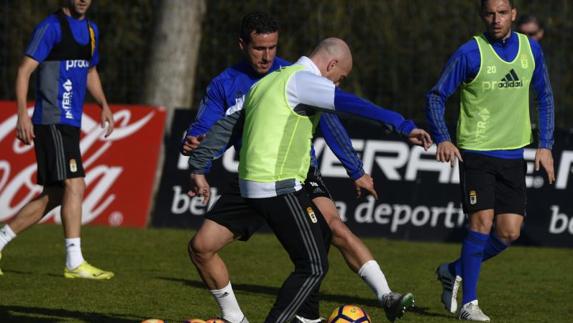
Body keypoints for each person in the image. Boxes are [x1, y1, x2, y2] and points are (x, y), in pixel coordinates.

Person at [182, 12, 416, 323]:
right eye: (258, 49)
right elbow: (214, 128)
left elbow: (331, 124)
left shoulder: (293, 74)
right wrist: (196, 154)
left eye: (273, 48)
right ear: (242, 45)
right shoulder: (230, 84)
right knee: (202, 247)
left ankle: (384, 295)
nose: (267, 56)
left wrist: (355, 170)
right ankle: (238, 320)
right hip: (258, 177)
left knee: (333, 228)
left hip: (299, 175)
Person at [426, 0, 555, 320]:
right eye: (489, 14)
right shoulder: (470, 53)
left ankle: (452, 270)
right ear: (482, 16)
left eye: (502, 12)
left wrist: (546, 145)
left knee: (509, 233)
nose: (496, 19)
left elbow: (545, 96)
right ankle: (469, 304)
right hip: (477, 153)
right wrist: (443, 137)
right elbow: (436, 95)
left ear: (513, 13)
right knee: (480, 224)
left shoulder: (531, 50)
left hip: (514, 155)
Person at [0, 0, 114, 279]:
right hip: (52, 119)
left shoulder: (91, 30)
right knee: (75, 183)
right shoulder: (50, 27)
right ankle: (74, 262)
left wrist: (104, 104)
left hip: (70, 122)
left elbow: (90, 71)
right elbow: (24, 70)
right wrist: (22, 115)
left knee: (56, 194)